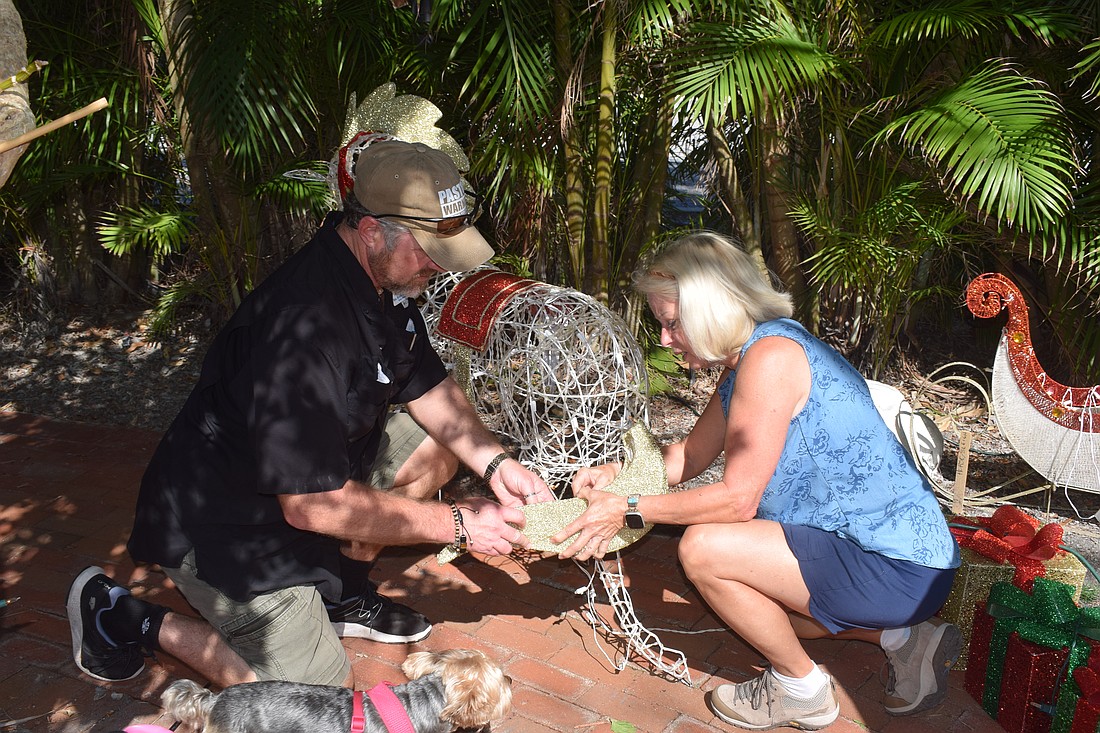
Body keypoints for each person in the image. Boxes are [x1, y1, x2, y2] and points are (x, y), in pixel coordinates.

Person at [66, 140, 554, 690]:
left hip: (310, 486)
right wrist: (461, 525)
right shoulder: (304, 328)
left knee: (438, 440)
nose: (438, 267)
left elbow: (428, 385)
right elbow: (311, 505)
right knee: (314, 706)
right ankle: (122, 615)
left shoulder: (382, 280)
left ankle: (341, 592)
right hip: (230, 529)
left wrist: (495, 466)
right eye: (426, 250)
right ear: (372, 230)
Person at [554, 232, 961, 730]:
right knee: (780, 621)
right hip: (899, 559)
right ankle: (905, 640)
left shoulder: (769, 361)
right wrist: (620, 475)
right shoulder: (752, 352)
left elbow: (737, 501)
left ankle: (802, 691)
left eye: (672, 323)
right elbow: (689, 454)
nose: (664, 338)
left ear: (711, 309)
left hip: (894, 565)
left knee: (705, 551)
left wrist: (627, 507)